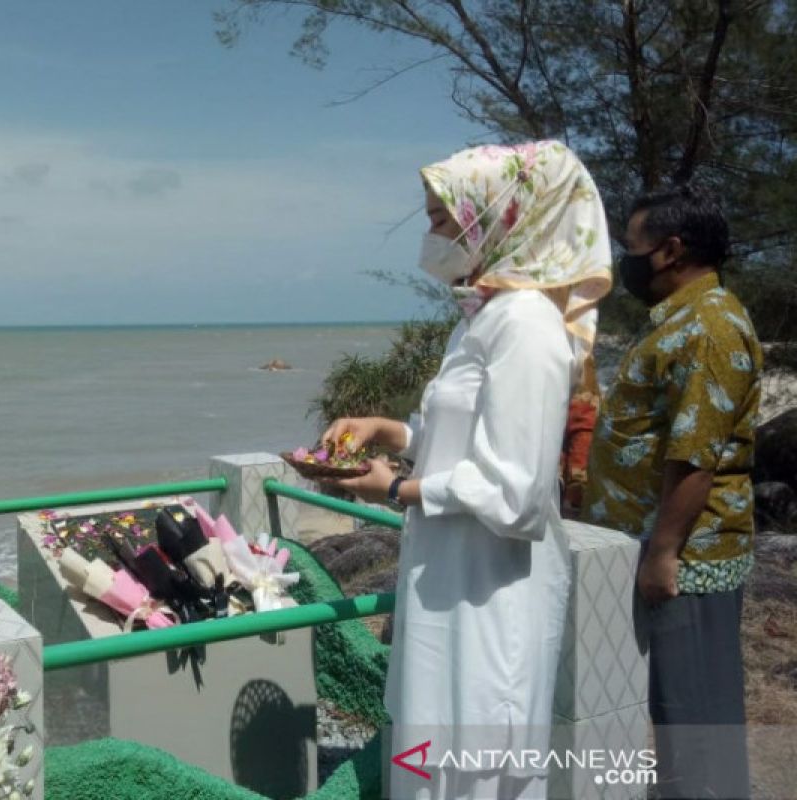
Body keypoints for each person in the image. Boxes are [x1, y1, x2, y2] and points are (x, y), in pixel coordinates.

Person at [323, 141, 612, 799]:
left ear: (497, 218)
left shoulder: (529, 326)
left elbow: (518, 491)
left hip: (490, 590)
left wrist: (397, 487)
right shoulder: (480, 318)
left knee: (476, 769)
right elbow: (458, 436)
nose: (430, 235)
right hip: (444, 581)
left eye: (439, 218)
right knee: (428, 755)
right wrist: (389, 430)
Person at [582, 184, 758, 799]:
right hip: (662, 549)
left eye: (632, 246)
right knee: (673, 712)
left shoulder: (709, 327)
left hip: (690, 560)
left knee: (696, 714)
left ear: (670, 250)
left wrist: (663, 553)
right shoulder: (680, 319)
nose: (624, 260)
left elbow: (695, 454)